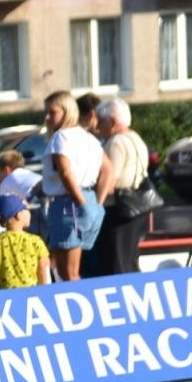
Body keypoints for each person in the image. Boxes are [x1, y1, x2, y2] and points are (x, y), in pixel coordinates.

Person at [41, 89, 115, 283]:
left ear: (67, 111)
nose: (47, 118)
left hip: (69, 203)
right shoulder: (89, 138)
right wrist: (97, 202)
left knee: (69, 272)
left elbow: (65, 173)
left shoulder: (60, 137)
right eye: (46, 112)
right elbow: (108, 170)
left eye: (52, 112)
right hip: (86, 199)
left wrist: (80, 201)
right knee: (69, 270)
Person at [93, 97, 152, 277]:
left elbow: (110, 178)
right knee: (129, 259)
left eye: (100, 122)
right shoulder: (136, 138)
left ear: (112, 121)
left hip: (117, 209)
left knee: (116, 261)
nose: (98, 128)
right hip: (137, 206)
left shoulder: (116, 142)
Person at [0, 195, 51, 290]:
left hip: (2, 293)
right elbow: (43, 268)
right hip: (29, 292)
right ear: (18, 215)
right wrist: (43, 290)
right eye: (27, 210)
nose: (30, 213)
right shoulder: (36, 241)